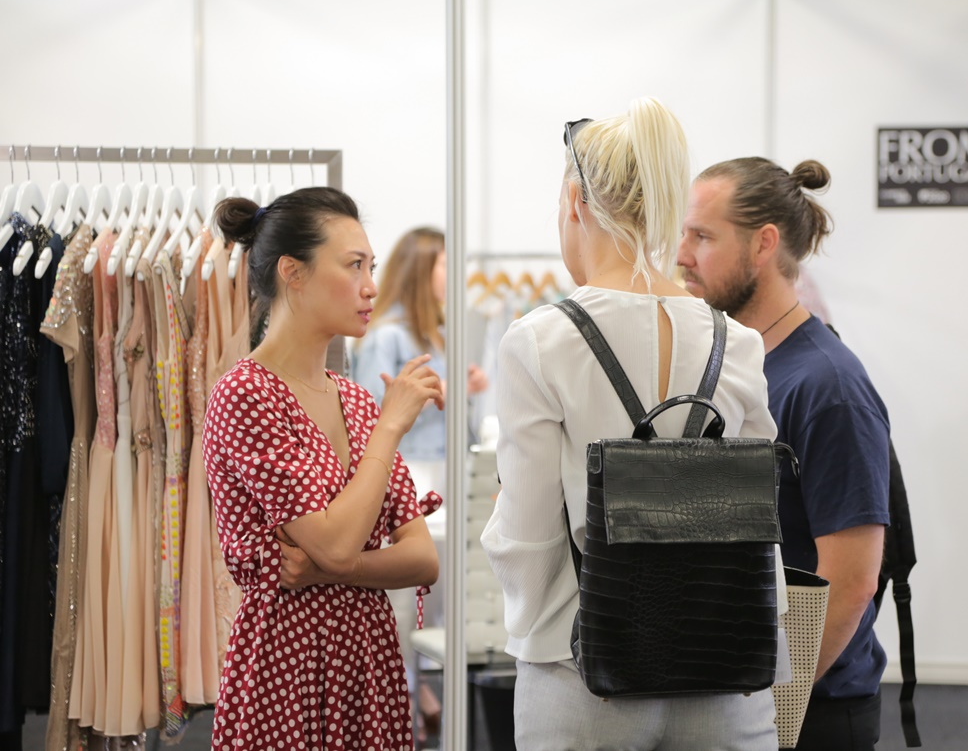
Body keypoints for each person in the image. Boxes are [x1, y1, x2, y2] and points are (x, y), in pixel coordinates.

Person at [480, 98, 779, 751]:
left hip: (582, 672)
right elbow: (758, 523)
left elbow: (528, 539)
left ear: (575, 202)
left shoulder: (540, 341)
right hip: (725, 671)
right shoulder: (737, 341)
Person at [202, 188, 442, 750]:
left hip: (368, 664)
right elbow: (334, 542)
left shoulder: (355, 400)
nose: (371, 287)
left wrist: (328, 570)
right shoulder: (246, 395)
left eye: (371, 267)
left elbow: (422, 558)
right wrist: (390, 427)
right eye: (354, 265)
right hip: (286, 668)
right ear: (293, 272)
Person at [677, 157, 891, 751]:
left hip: (808, 713)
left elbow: (852, 580)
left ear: (763, 244)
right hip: (743, 697)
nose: (683, 255)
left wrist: (775, 710)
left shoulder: (828, 386)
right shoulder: (736, 366)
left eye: (702, 236)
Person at [353, 224, 488, 499]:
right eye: (445, 265)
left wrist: (466, 384)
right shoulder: (386, 336)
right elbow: (372, 411)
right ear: (420, 270)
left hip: (446, 459)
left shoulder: (436, 333)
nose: (455, 274)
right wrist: (449, 388)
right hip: (411, 464)